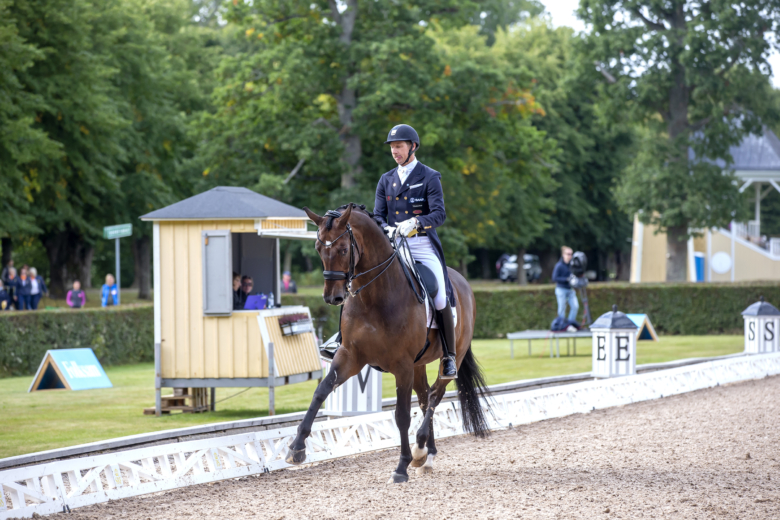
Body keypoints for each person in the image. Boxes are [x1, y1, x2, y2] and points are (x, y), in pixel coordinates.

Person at [373, 124, 458, 379]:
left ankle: (449, 357)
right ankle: (343, 338)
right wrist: (385, 229)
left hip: (421, 245)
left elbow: (439, 214)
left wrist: (417, 222)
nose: (394, 151)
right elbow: (378, 215)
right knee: (362, 281)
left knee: (441, 296)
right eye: (392, 147)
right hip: (394, 246)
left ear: (412, 147)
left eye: (398, 146)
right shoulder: (386, 179)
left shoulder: (429, 176)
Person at [552, 246, 579, 323]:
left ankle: (570, 324)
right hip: (561, 289)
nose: (570, 256)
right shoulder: (559, 265)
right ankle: (562, 325)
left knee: (575, 306)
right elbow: (554, 278)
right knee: (562, 308)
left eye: (571, 254)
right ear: (563, 254)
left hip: (570, 289)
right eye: (568, 254)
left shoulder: (572, 265)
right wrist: (566, 279)